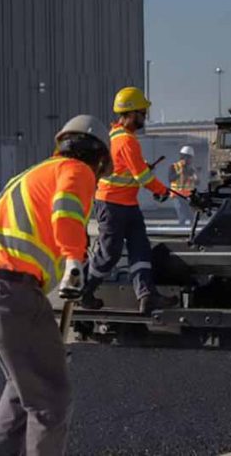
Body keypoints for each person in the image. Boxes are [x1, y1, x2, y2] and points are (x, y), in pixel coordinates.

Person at [0, 114, 111, 456]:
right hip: (10, 288)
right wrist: (74, 261)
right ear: (99, 157)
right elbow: (67, 211)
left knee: (23, 387)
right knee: (51, 402)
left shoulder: (31, 173)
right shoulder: (76, 171)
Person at [81, 86, 174, 314]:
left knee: (140, 250)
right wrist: (162, 190)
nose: (144, 118)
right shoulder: (126, 140)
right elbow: (141, 176)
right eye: (142, 113)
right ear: (131, 114)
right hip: (112, 206)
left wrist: (144, 174)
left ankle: (146, 296)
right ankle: (84, 291)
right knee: (109, 254)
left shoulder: (116, 138)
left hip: (127, 205)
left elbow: (130, 172)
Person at [168, 146, 199, 226]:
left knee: (191, 214)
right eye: (188, 158)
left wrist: (194, 177)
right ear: (183, 157)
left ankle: (192, 228)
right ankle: (181, 230)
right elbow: (171, 179)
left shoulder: (192, 169)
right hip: (177, 195)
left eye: (190, 158)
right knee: (181, 213)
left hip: (188, 195)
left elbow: (197, 182)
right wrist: (180, 173)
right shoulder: (174, 167)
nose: (189, 160)